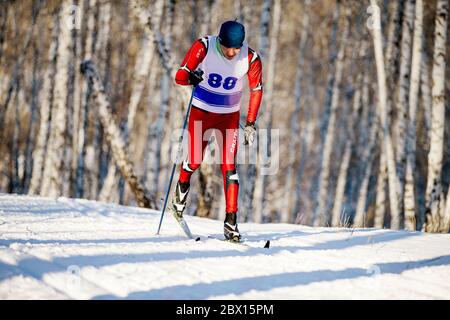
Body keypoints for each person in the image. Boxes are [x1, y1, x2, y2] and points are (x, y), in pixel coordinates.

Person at [172, 20, 263, 242]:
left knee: (230, 168)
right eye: (227, 47)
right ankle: (180, 197)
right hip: (201, 112)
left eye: (236, 48)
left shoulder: (250, 58)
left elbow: (256, 90)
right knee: (194, 160)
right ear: (219, 41)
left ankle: (231, 224)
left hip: (229, 118)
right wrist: (191, 77)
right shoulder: (204, 46)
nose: (232, 52)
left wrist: (250, 123)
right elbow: (179, 76)